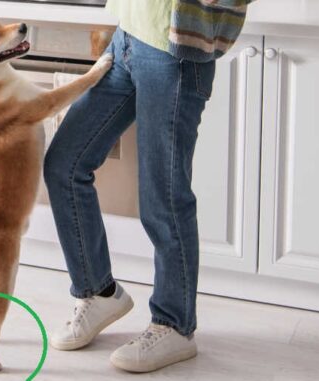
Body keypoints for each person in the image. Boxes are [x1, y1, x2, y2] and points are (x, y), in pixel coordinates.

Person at [44, 0, 255, 373]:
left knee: (164, 199)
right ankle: (98, 292)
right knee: (64, 164)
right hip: (127, 36)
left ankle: (175, 325)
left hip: (174, 56)